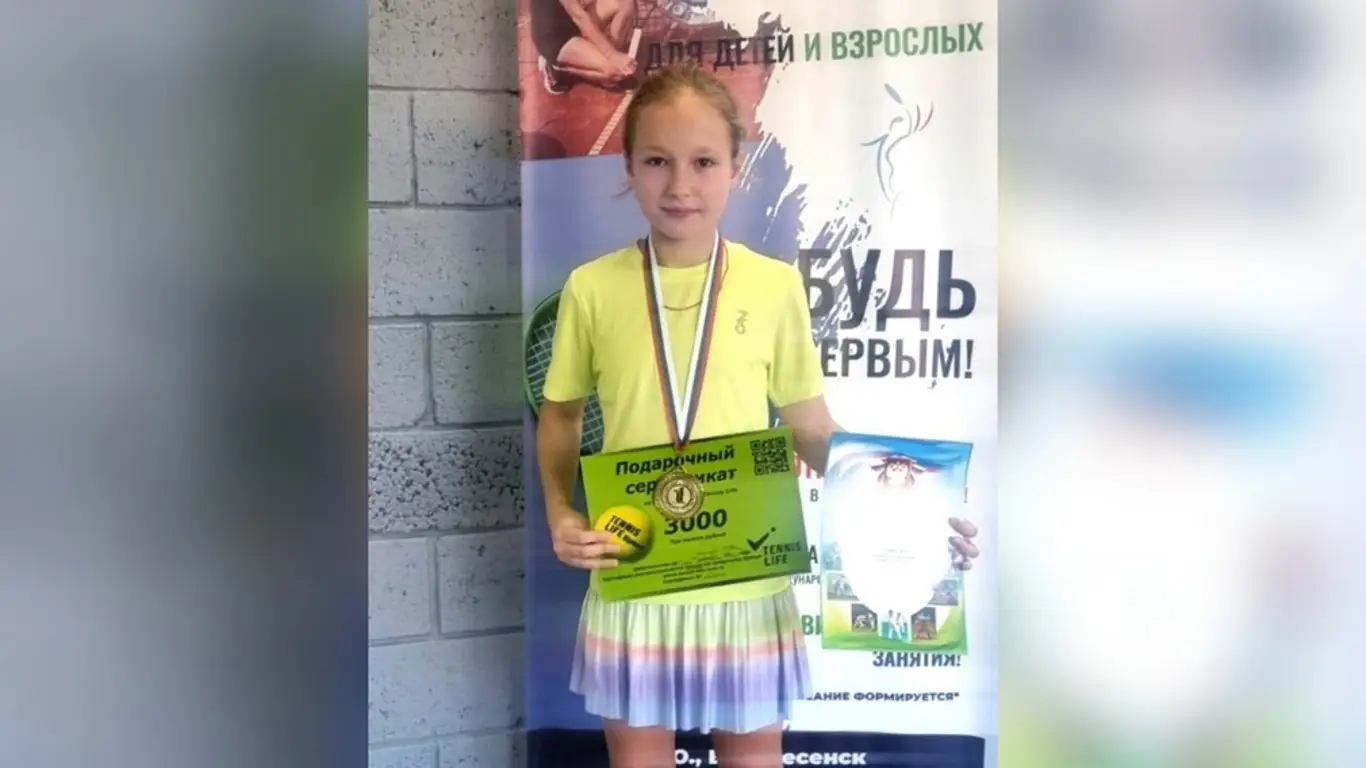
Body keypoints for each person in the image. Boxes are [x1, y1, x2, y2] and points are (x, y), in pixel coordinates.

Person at [535, 64, 982, 767]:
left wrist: (919, 511)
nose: (680, 186)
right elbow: (560, 415)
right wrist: (561, 510)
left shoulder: (775, 287)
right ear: (628, 166)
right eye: (657, 161)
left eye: (703, 162)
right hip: (635, 571)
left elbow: (812, 429)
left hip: (746, 578)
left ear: (735, 168)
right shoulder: (591, 289)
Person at [530, 0, 638, 95]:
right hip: (555, 38)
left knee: (624, 3)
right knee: (617, 72)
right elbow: (579, 17)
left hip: (571, 20)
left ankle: (603, 66)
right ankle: (559, 70)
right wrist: (611, 54)